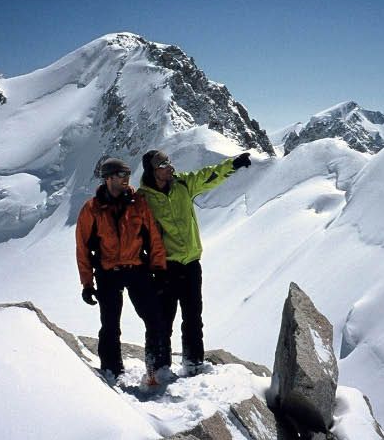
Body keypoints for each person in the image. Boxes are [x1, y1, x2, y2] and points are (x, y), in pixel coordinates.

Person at [138, 149, 252, 374]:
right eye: (163, 165)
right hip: (165, 267)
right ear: (152, 171)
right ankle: (158, 368)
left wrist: (233, 164)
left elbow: (209, 175)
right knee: (163, 320)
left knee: (193, 317)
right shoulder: (143, 199)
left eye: (169, 162)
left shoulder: (182, 184)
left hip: (190, 263)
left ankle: (193, 363)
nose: (170, 167)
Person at [76, 157, 167, 383]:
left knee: (154, 319)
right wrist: (87, 284)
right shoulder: (91, 209)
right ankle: (112, 371)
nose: (126, 178)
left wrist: (159, 269)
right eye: (120, 174)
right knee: (110, 325)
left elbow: (153, 237)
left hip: (137, 268)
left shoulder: (138, 203)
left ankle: (155, 369)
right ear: (108, 178)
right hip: (108, 273)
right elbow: (82, 248)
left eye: (127, 173)